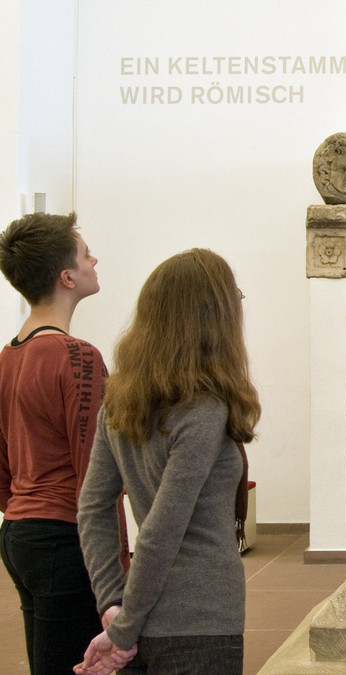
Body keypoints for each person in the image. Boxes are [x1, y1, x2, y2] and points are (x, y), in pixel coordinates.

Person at [74, 249, 260, 674]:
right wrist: (121, 624)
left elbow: (93, 507)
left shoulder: (119, 399)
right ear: (213, 317)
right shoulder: (203, 408)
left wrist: (113, 604)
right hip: (198, 620)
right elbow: (161, 530)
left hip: (145, 616)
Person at [0, 213, 105, 675]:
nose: (94, 259)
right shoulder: (77, 356)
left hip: (20, 533)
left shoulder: (7, 356)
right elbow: (96, 474)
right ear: (66, 277)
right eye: (85, 255)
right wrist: (115, 571)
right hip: (64, 537)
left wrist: (20, 511)